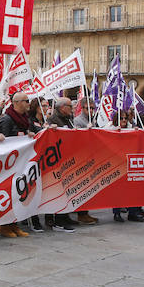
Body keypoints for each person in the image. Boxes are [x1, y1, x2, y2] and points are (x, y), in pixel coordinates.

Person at [47, 97, 98, 226]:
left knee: (67, 189)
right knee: (59, 189)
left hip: (70, 157)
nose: (73, 108)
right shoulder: (53, 119)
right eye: (70, 106)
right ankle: (58, 219)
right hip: (59, 159)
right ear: (62, 107)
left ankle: (66, 216)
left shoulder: (68, 119)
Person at [0, 92, 35, 238]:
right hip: (9, 164)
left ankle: (14, 224)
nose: (28, 103)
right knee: (9, 194)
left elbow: (26, 133)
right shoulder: (7, 119)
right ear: (17, 102)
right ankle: (5, 226)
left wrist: (29, 134)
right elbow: (2, 142)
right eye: (26, 101)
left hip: (20, 163)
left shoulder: (25, 119)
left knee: (18, 194)